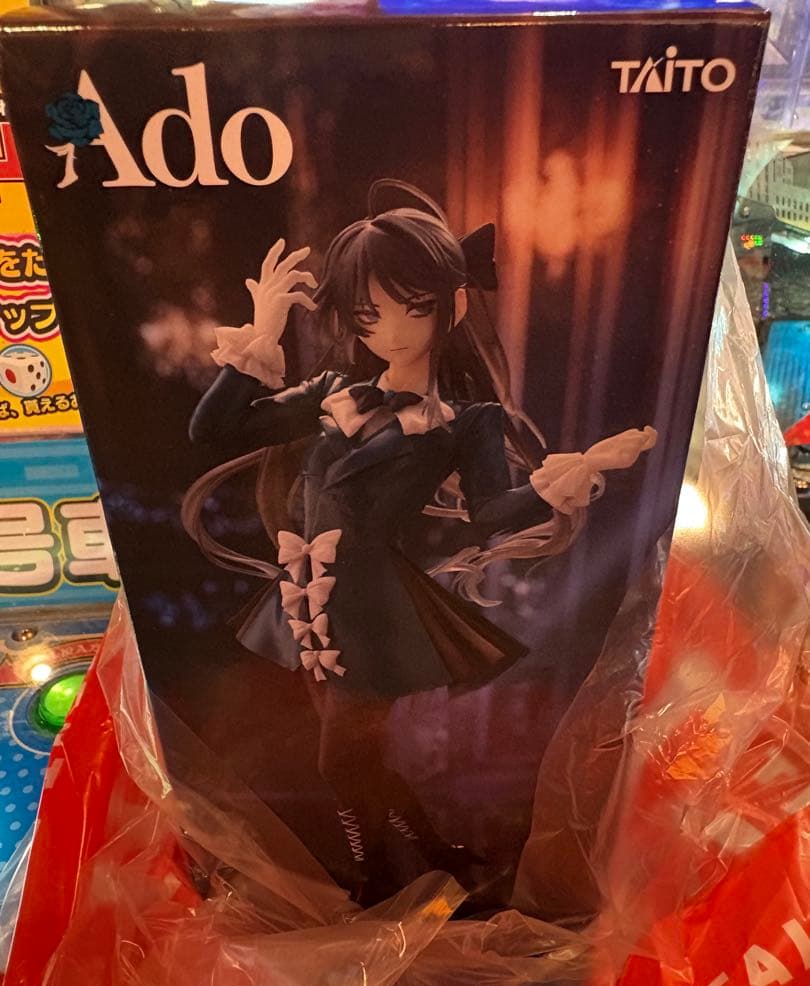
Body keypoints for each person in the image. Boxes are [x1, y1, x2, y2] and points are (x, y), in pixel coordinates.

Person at [184, 180, 656, 903]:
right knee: (357, 759)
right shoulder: (333, 392)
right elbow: (213, 431)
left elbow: (491, 514)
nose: (394, 331)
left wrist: (577, 471)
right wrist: (263, 331)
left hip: (374, 614)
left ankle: (373, 878)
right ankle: (441, 854)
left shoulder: (467, 421)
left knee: (340, 761)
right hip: (306, 603)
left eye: (415, 307)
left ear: (453, 306)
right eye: (370, 314)